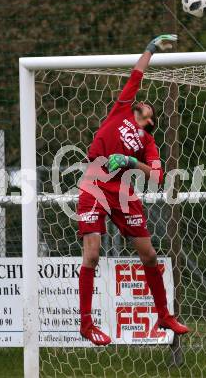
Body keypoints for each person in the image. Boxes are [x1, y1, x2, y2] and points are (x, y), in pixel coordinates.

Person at [77, 34, 189, 346]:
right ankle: (86, 324)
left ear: (148, 119)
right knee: (92, 253)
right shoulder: (122, 109)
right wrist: (151, 48)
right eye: (140, 102)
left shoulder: (147, 141)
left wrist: (130, 160)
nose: (140, 102)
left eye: (146, 107)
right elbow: (137, 74)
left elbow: (157, 176)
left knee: (150, 255)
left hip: (123, 193)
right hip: (95, 184)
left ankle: (164, 315)